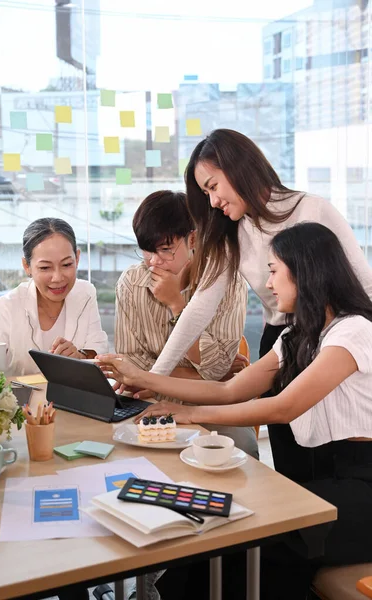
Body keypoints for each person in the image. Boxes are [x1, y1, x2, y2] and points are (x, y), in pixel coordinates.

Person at [99, 223, 372, 599]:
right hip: (327, 480)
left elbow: (283, 407)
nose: (269, 282)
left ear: (305, 271)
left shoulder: (353, 331)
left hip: (364, 487)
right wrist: (144, 378)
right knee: (213, 533)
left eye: (275, 270)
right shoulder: (296, 337)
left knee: (248, 542)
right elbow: (228, 390)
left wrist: (191, 415)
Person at [135, 129, 372, 480]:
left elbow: (363, 287)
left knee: (335, 454)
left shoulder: (312, 210)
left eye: (213, 186)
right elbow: (201, 307)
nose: (212, 201)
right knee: (291, 461)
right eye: (205, 193)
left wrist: (352, 341)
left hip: (335, 338)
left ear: (239, 168)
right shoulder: (231, 229)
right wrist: (156, 378)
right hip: (286, 336)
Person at [114, 189, 257, 458]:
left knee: (242, 448)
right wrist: (199, 377)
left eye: (166, 250)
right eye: (147, 251)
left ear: (193, 238)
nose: (154, 261)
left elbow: (216, 370)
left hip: (212, 405)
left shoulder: (229, 283)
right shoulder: (132, 283)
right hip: (150, 401)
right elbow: (131, 366)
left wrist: (178, 306)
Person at [0, 217, 108, 376]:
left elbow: (98, 349)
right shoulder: (4, 308)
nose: (57, 278)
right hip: (17, 400)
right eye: (45, 267)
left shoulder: (85, 293)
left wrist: (80, 356)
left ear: (77, 258)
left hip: (70, 399)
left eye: (66, 265)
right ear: (26, 266)